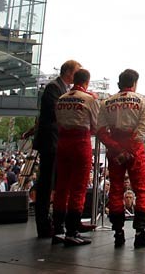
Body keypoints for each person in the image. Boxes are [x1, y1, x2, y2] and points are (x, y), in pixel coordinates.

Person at [96, 69, 145, 249]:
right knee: (142, 191)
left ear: (119, 83)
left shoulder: (106, 102)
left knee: (115, 189)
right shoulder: (142, 101)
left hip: (115, 148)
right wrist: (130, 150)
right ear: (135, 83)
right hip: (134, 149)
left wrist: (116, 148)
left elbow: (100, 131)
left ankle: (118, 233)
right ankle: (140, 234)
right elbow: (142, 130)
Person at [32, 59, 81, 238]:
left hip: (58, 143)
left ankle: (59, 222)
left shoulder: (64, 89)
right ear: (69, 72)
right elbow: (57, 113)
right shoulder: (54, 87)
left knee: (59, 184)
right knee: (46, 185)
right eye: (77, 72)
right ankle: (43, 226)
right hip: (50, 143)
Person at [52, 68, 99, 246]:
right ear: (87, 81)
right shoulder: (89, 99)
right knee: (78, 187)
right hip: (80, 142)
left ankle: (58, 229)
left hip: (62, 143)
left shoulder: (62, 98)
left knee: (62, 185)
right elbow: (95, 124)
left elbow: (58, 121)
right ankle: (72, 230)